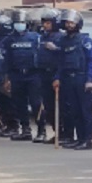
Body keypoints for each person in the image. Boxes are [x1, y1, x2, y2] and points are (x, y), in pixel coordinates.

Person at [53, 9, 92, 150]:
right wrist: (57, 78)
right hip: (68, 78)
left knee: (84, 111)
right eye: (67, 22)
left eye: (72, 22)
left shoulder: (85, 40)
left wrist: (89, 79)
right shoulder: (63, 41)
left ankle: (87, 140)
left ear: (78, 24)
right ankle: (79, 138)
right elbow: (60, 62)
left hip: (82, 77)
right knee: (73, 110)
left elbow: (91, 60)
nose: (69, 25)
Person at [2, 10, 43, 142]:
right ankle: (25, 130)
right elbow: (6, 60)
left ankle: (41, 131)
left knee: (36, 104)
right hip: (16, 75)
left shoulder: (35, 37)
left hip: (33, 75)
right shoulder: (8, 40)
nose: (20, 25)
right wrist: (7, 78)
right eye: (17, 22)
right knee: (19, 104)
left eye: (22, 22)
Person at [34, 8, 62, 144]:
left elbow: (65, 57)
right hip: (42, 74)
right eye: (44, 22)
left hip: (55, 74)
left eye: (48, 23)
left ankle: (63, 134)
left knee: (59, 107)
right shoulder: (42, 37)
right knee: (47, 106)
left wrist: (56, 49)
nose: (45, 25)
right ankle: (56, 133)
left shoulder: (61, 37)